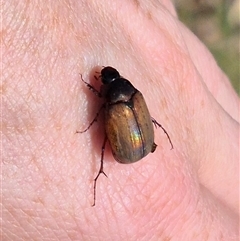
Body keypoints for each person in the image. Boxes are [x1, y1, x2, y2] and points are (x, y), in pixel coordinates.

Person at [2, 1, 239, 240]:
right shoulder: (134, 94)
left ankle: (99, 173)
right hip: (138, 141)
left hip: (128, 146)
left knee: (103, 141)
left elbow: (97, 114)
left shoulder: (112, 101)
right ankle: (104, 171)